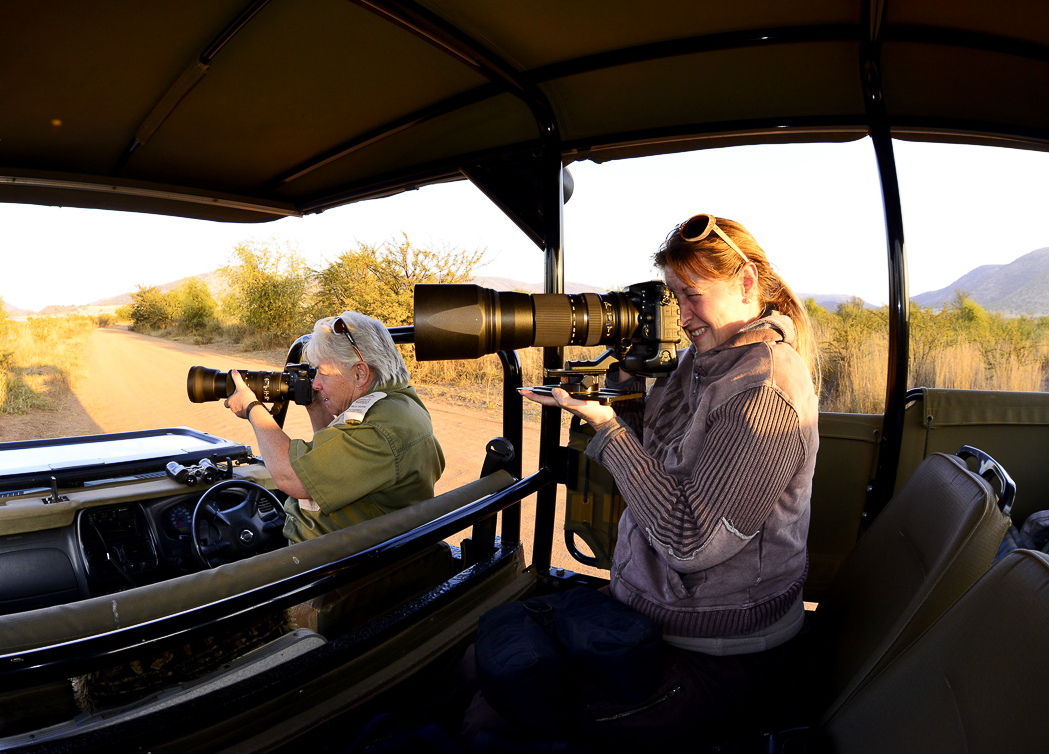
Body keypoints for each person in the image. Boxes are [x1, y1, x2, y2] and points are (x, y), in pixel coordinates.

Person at [485, 214, 820, 749]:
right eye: (671, 298)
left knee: (509, 725)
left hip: (720, 647)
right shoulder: (701, 360)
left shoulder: (765, 388)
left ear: (747, 284)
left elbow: (692, 539)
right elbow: (666, 449)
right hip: (650, 616)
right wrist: (614, 393)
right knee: (493, 676)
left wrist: (606, 428)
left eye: (692, 296)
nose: (681, 316)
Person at [224, 311, 446, 543]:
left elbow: (291, 477)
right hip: (352, 545)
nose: (316, 383)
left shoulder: (379, 430)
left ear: (360, 373)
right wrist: (316, 406)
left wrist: (252, 408)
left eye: (322, 372)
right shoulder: (397, 403)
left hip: (328, 563)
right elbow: (336, 458)